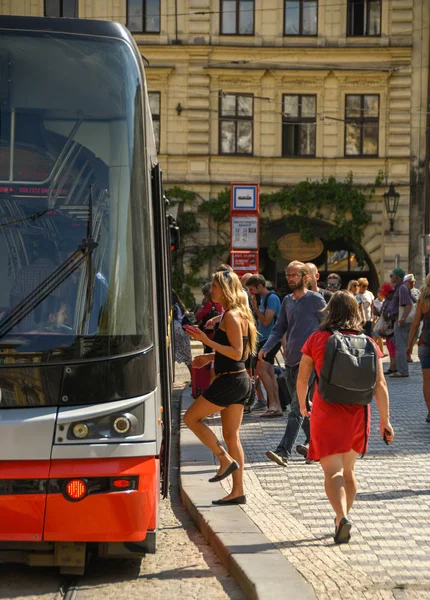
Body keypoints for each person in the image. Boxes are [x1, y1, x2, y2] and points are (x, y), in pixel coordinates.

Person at [297, 291, 394, 543]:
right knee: (349, 471)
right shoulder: (369, 342)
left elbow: (302, 376)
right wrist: (386, 420)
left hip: (326, 410)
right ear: (355, 312)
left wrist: (302, 403)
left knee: (332, 472)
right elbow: (380, 385)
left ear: (329, 311)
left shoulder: (317, 339)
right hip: (358, 412)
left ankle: (341, 517)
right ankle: (344, 517)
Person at [183, 269, 257, 505]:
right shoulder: (237, 314)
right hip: (237, 379)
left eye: (214, 286)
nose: (210, 290)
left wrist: (206, 342)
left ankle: (223, 459)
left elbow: (237, 353)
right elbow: (239, 353)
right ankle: (238, 491)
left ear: (224, 289)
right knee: (231, 436)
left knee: (191, 418)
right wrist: (210, 356)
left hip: (231, 380)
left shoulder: (232, 316)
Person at [260, 261, 326, 466]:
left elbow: (327, 326)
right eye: (288, 275)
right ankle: (317, 446)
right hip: (290, 360)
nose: (290, 279)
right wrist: (266, 348)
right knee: (303, 406)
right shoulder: (287, 300)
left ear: (305, 277)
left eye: (294, 275)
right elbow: (279, 329)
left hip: (309, 360)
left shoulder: (315, 299)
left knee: (297, 407)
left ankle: (283, 451)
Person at [245, 274, 283, 417]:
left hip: (270, 340)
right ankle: (276, 406)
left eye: (251, 289)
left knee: (260, 371)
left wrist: (254, 308)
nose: (250, 292)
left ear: (260, 286)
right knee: (270, 374)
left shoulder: (271, 298)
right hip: (266, 339)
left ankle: (272, 405)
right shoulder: (265, 299)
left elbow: (266, 321)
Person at [407, 274, 430, 423]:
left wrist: (409, 345)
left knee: (427, 380)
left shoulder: (423, 301)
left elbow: (415, 325)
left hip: (425, 344)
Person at [390, 268, 414, 378]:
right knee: (399, 345)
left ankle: (403, 370)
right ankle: (401, 369)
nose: (391, 277)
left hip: (401, 321)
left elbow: (409, 304)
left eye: (392, 275)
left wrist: (403, 319)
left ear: (397, 277)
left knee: (400, 346)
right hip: (398, 320)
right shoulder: (400, 288)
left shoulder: (402, 288)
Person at [172, 291, 192, 377]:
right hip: (183, 330)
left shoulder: (172, 307)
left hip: (176, 330)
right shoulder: (179, 305)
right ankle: (193, 377)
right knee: (187, 358)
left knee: (172, 355)